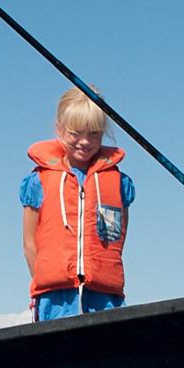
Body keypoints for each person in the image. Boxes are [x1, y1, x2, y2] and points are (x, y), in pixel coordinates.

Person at [23, 89, 133, 319]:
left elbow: (119, 238)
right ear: (59, 129)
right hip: (55, 297)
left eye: (94, 133)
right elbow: (29, 241)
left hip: (104, 296)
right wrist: (42, 279)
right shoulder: (38, 181)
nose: (85, 142)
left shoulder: (119, 183)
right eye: (75, 133)